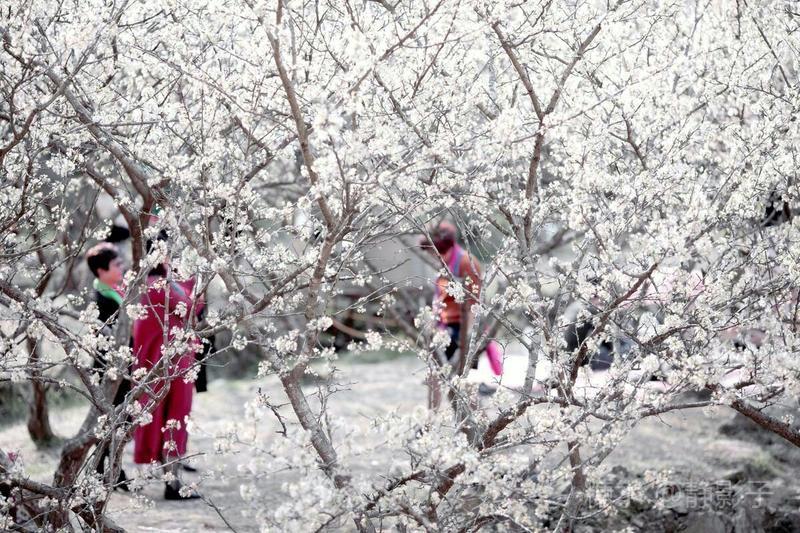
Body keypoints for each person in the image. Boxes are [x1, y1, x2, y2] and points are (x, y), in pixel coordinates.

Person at [132, 236, 203, 500]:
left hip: (158, 363)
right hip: (171, 364)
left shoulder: (145, 284)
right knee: (174, 418)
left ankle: (171, 480)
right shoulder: (161, 285)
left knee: (164, 418)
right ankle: (173, 484)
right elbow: (191, 307)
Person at [421, 222, 501, 405]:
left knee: (463, 378)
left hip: (464, 326)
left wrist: (466, 337)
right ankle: (432, 417)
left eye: (434, 252)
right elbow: (440, 297)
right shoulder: (443, 263)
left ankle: (472, 418)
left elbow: (475, 301)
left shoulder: (466, 262)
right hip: (446, 325)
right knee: (435, 372)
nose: (432, 256)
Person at [85, 242, 131, 491]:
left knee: (120, 420)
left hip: (121, 365)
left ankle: (114, 471)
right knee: (109, 421)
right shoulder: (101, 299)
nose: (122, 267)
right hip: (108, 368)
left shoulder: (114, 291)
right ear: (102, 271)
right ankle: (103, 473)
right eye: (116, 264)